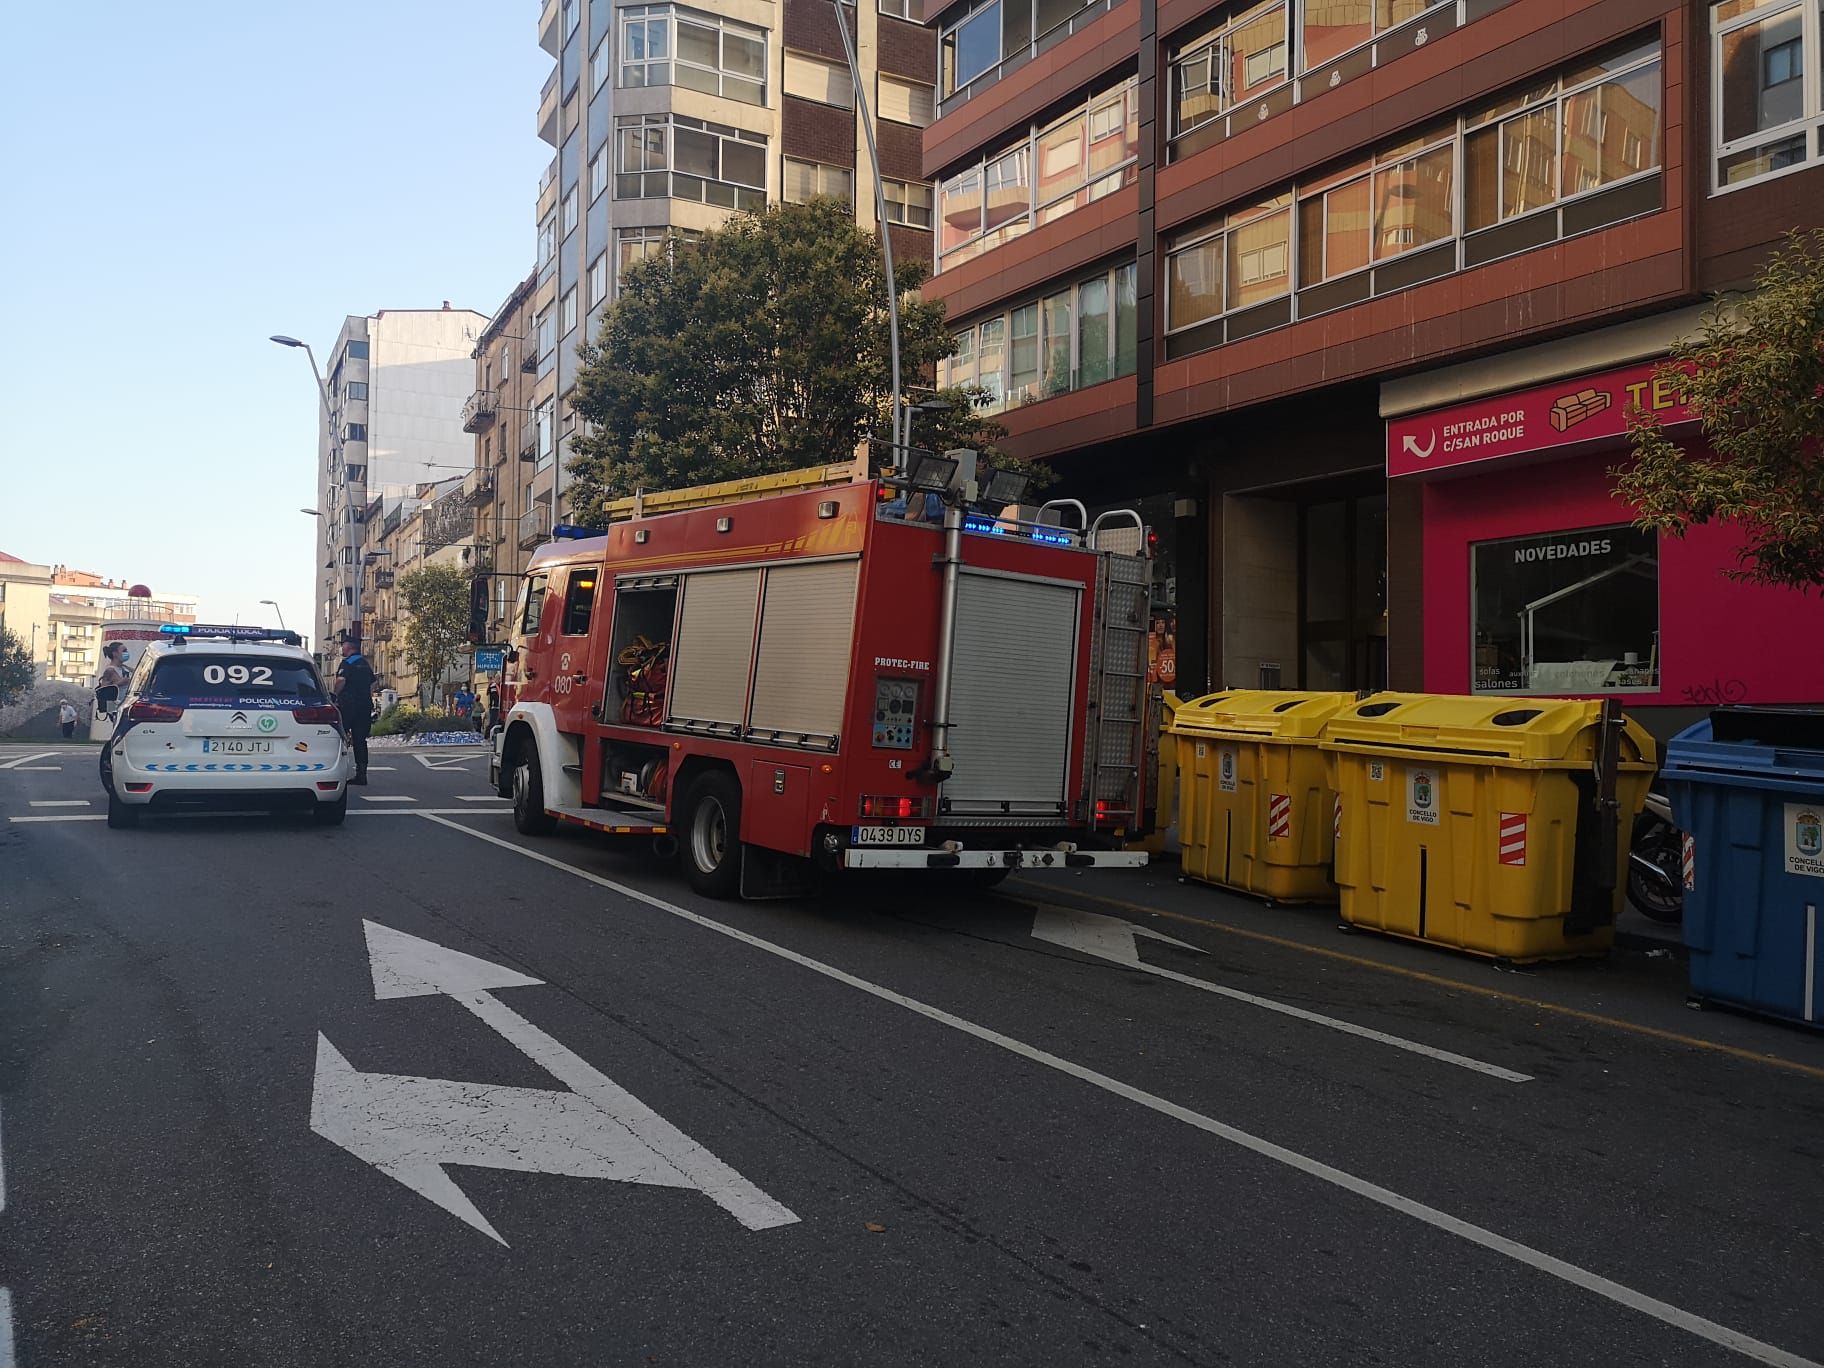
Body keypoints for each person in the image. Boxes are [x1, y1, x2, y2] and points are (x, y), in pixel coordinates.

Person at [331, 638, 376, 786]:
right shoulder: (364, 664)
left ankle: (336, 771)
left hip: (348, 705)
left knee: (340, 738)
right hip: (364, 706)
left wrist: (334, 696)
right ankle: (361, 774)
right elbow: (372, 683)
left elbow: (341, 680)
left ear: (349, 647)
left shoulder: (348, 663)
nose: (341, 648)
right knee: (360, 741)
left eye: (343, 645)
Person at [94, 643, 130, 718]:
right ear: (115, 654)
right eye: (124, 651)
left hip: (124, 707)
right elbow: (104, 689)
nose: (126, 653)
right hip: (116, 709)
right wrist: (122, 682)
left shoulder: (124, 668)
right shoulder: (110, 670)